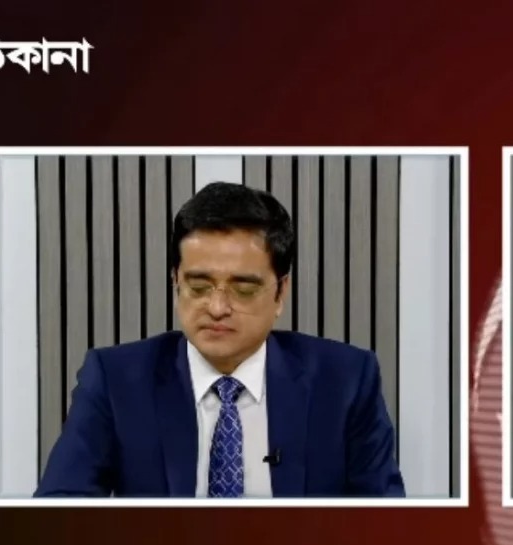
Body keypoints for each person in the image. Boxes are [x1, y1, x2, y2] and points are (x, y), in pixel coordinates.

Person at [36, 182, 405, 498]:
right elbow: (58, 514)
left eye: (243, 289)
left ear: (281, 293)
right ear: (175, 281)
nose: (217, 308)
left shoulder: (345, 381)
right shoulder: (115, 380)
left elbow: (384, 526)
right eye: (198, 286)